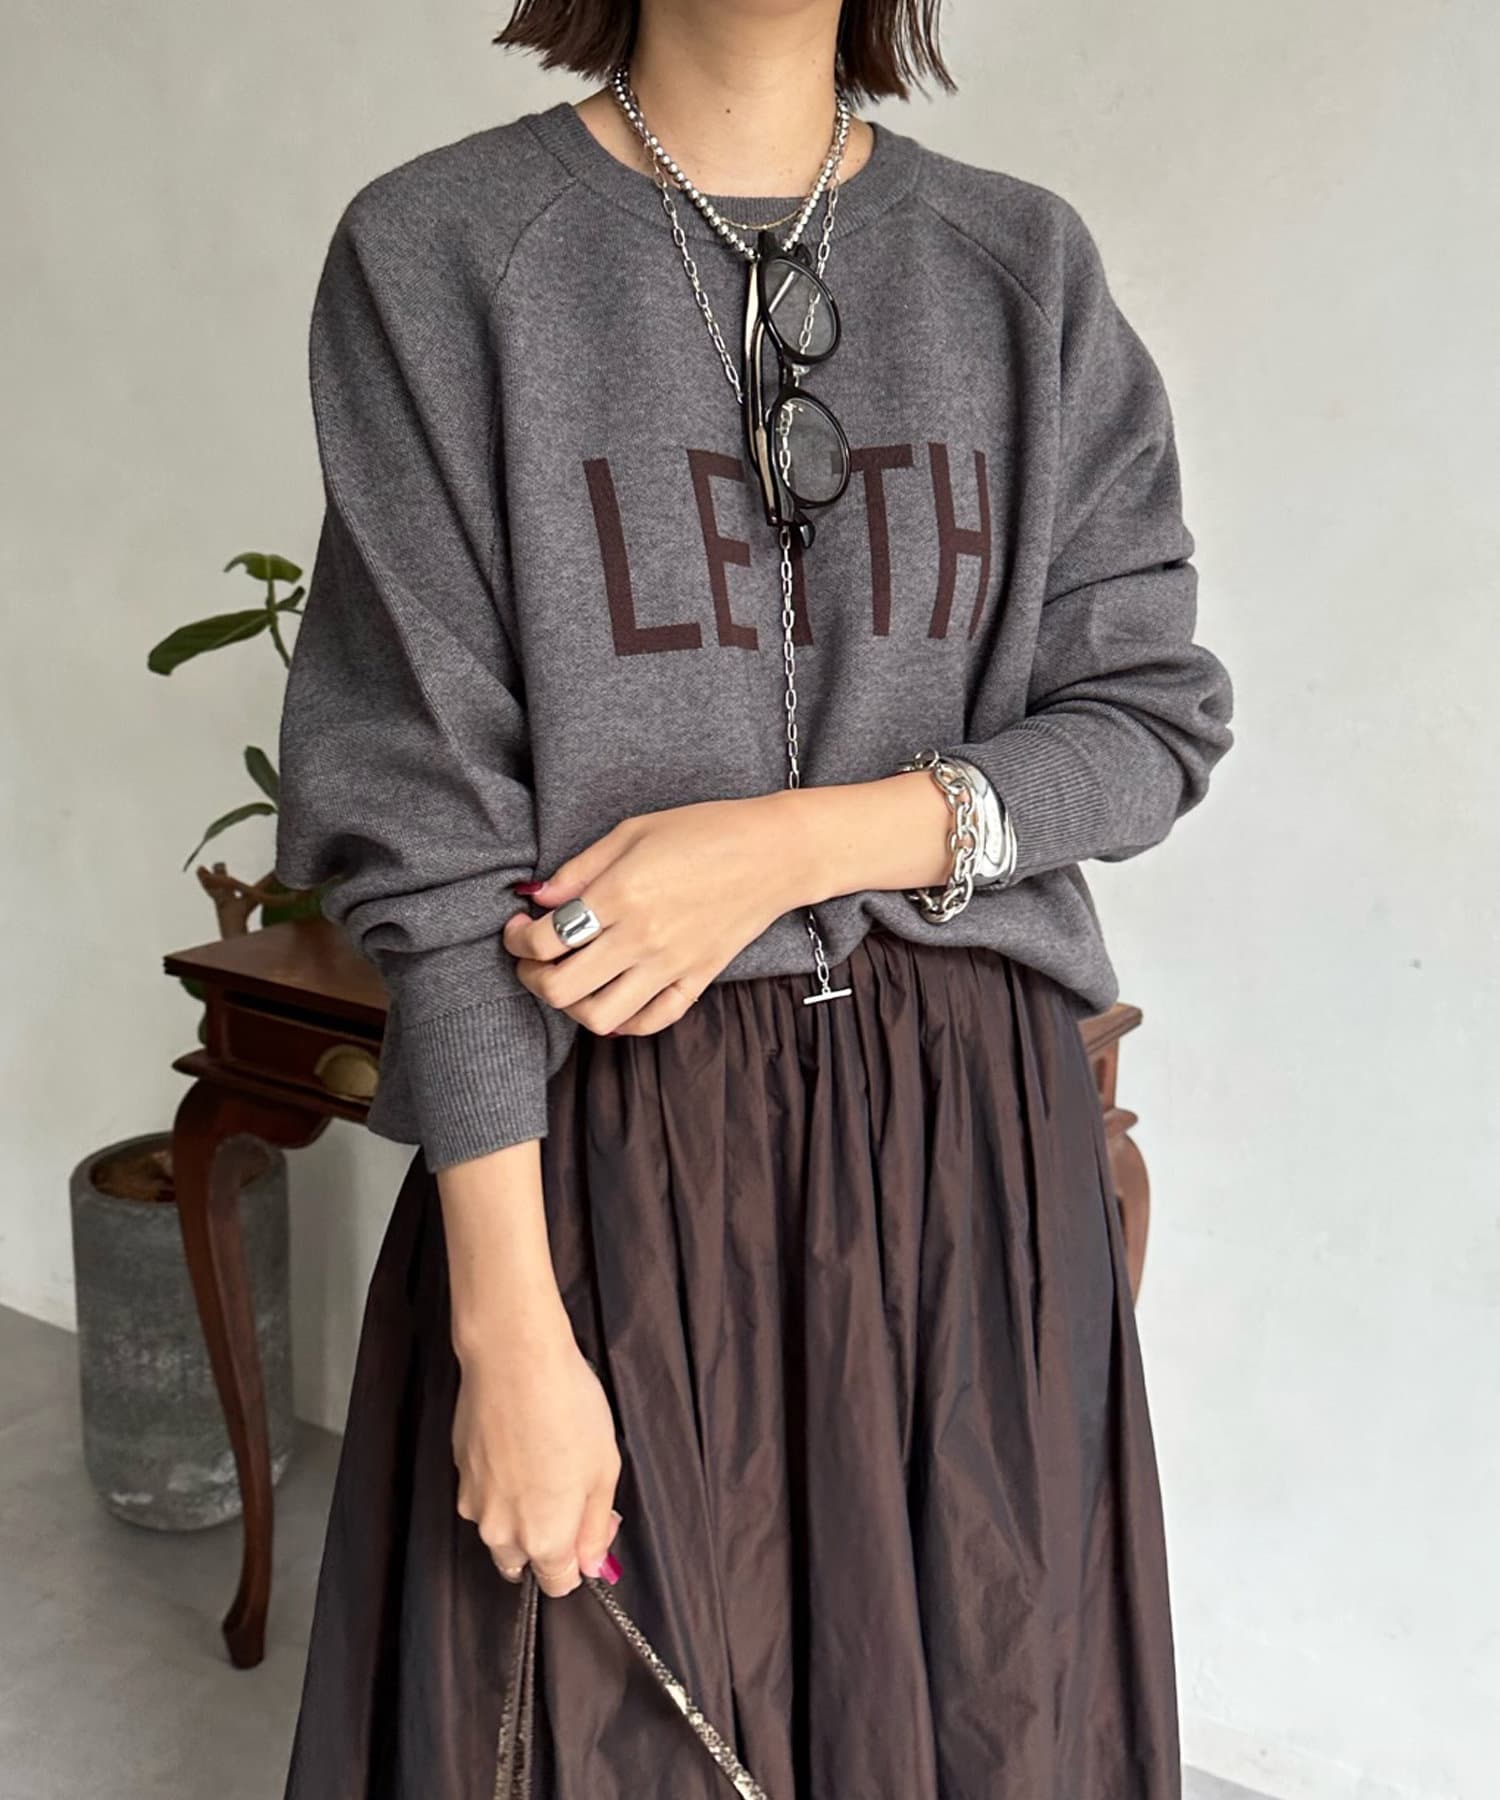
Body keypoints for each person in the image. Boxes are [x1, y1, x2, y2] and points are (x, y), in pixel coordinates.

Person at [273, 0, 1234, 1793]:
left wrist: (795, 844)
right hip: (613, 1165)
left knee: (990, 1731)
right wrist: (507, 1325)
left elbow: (1149, 721)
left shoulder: (1019, 267)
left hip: (973, 1179)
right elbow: (420, 824)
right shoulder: (445, 253)